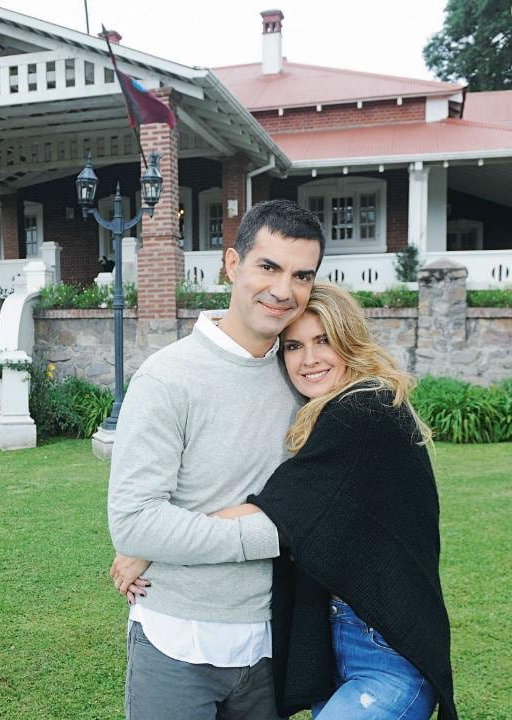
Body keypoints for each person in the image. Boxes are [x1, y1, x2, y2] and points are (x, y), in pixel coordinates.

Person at [117, 282, 458, 719]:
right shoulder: (338, 408)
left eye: (324, 341)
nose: (309, 359)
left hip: (383, 651)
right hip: (340, 642)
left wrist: (145, 547)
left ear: (350, 341)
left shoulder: (363, 411)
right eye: (294, 346)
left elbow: (275, 512)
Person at [107, 199, 325, 720]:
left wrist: (167, 541)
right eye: (268, 266)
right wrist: (277, 534)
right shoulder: (167, 378)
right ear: (232, 264)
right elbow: (135, 523)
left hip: (270, 644)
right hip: (175, 642)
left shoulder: (305, 377)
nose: (282, 290)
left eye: (301, 275)